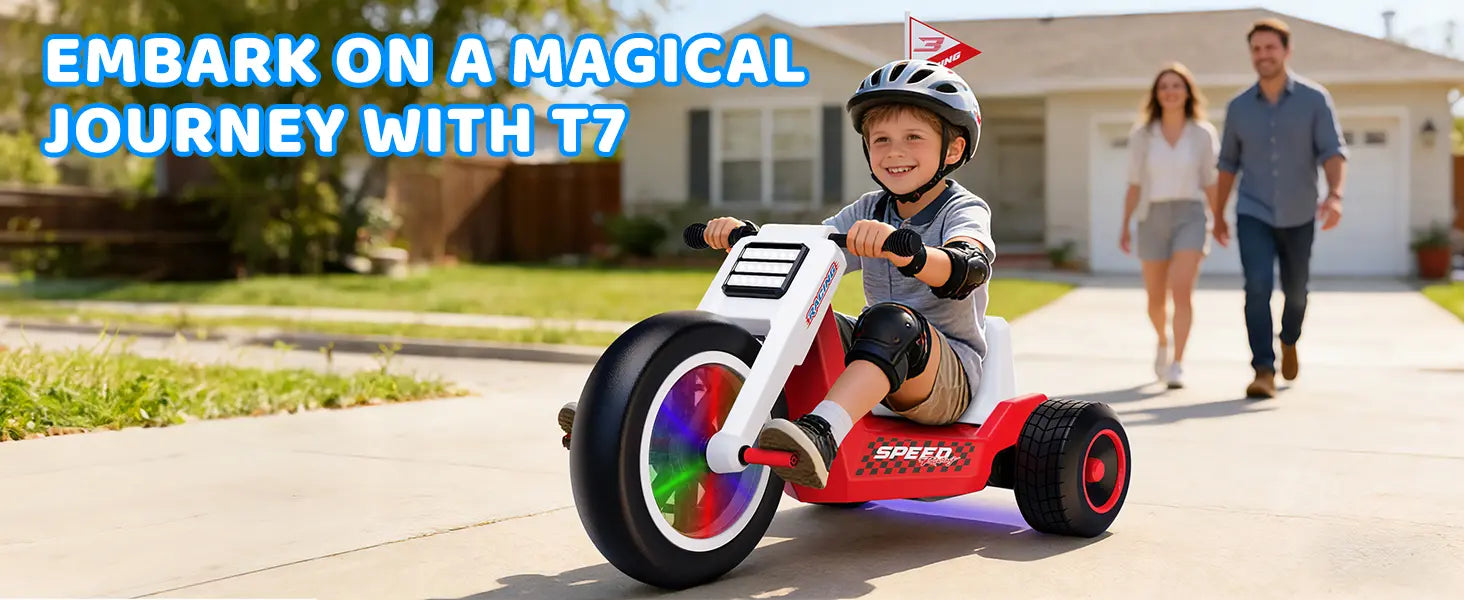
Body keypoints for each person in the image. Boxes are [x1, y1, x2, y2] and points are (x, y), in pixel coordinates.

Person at [701, 58, 995, 489]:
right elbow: (811, 248)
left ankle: (821, 434)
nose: (894, 152)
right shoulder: (868, 208)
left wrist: (909, 253)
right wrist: (748, 237)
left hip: (944, 377)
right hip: (879, 356)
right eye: (881, 139)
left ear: (952, 148)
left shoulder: (963, 208)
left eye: (913, 137)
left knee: (892, 320)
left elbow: (968, 268)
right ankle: (661, 408)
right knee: (798, 321)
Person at [1212, 18, 1347, 399]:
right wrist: (1219, 213)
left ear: (1286, 51)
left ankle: (1289, 339)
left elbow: (1333, 151)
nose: (1263, 55)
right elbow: (1227, 164)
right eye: (1256, 49)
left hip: (1300, 212)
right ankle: (1263, 370)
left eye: (1270, 48)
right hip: (1253, 210)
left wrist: (1335, 195)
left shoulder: (1313, 99)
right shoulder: (1238, 107)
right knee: (1256, 287)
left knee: (1297, 292)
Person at [1119, 62, 1221, 390]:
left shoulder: (1202, 132)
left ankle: (1177, 363)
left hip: (1191, 215)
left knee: (1182, 290)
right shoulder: (1142, 135)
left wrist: (1219, 218)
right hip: (1152, 216)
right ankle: (1162, 340)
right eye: (1164, 86)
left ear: (1187, 91)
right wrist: (1124, 224)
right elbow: (1134, 184)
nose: (1171, 91)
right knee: (1154, 299)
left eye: (1177, 85)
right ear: (1156, 94)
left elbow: (1210, 180)